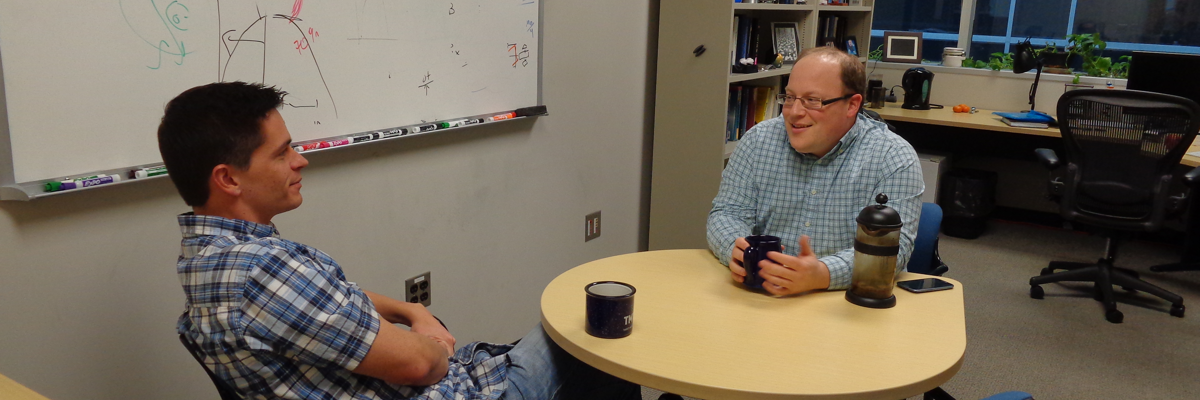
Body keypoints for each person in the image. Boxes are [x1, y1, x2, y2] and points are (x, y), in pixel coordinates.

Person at [160, 81, 640, 400]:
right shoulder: (261, 274)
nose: (300, 161)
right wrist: (433, 344)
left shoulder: (212, 259)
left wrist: (411, 312)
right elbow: (420, 368)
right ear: (228, 179)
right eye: (283, 152)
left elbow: (323, 303)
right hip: (454, 390)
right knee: (597, 340)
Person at [706, 47, 923, 296]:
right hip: (759, 297)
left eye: (813, 100)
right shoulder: (758, 141)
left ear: (852, 105)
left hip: (841, 305)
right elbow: (726, 213)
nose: (794, 112)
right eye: (789, 97)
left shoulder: (893, 157)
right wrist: (735, 248)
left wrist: (823, 273)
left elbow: (896, 249)